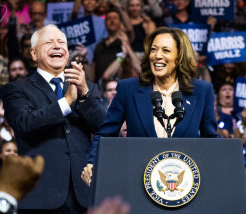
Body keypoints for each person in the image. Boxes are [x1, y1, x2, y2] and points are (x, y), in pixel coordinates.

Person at [1, 25, 105, 214]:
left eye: (62, 43)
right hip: (38, 198)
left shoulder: (88, 87)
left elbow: (103, 125)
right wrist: (66, 103)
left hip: (82, 198)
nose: (57, 46)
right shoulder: (18, 89)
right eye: (49, 42)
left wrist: (84, 94)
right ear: (33, 53)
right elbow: (24, 123)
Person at [82, 27, 218, 184]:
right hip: (136, 182)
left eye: (166, 50)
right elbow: (105, 134)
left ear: (180, 57)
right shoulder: (128, 88)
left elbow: (211, 140)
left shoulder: (202, 91)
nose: (157, 56)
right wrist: (93, 163)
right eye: (154, 50)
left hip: (184, 185)